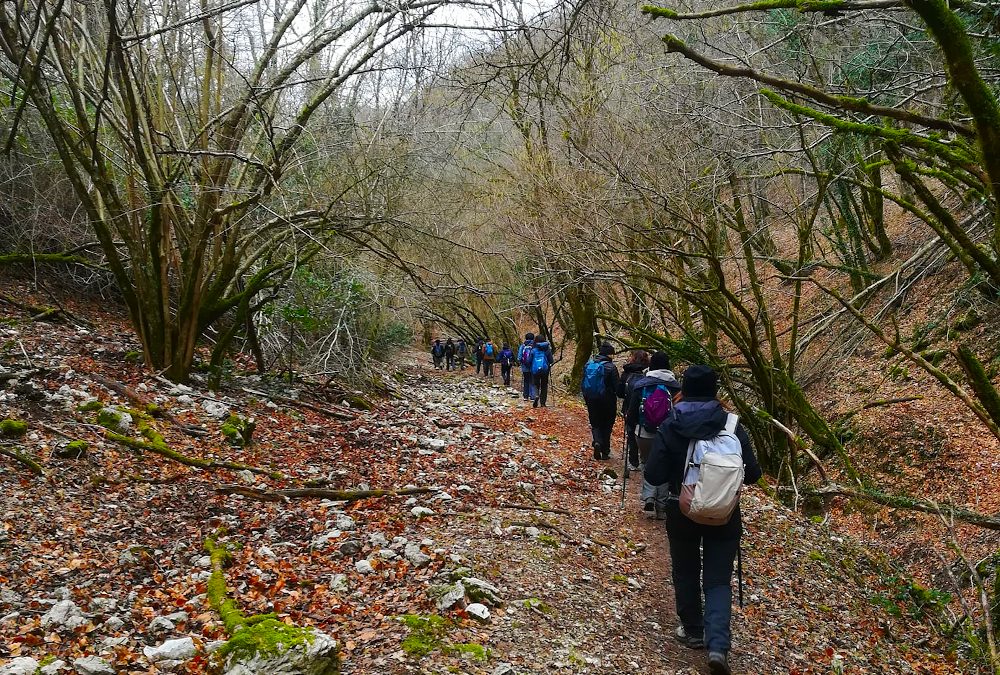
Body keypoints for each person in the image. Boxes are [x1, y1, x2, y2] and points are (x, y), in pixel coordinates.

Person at [643, 365, 762, 675]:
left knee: (685, 570)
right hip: (724, 514)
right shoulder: (732, 425)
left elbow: (653, 474)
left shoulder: (672, 422)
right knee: (718, 580)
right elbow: (753, 474)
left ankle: (694, 630)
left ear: (685, 389)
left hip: (680, 509)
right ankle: (718, 646)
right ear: (715, 391)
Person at [627, 351, 680, 518]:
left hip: (644, 433)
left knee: (647, 462)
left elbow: (632, 413)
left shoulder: (642, 385)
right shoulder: (676, 386)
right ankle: (662, 504)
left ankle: (649, 495)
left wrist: (631, 425)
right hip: (669, 435)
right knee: (665, 465)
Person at [581, 343, 619, 459]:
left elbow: (583, 384)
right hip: (608, 400)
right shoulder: (611, 367)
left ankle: (597, 441)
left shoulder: (588, 365)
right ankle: (605, 451)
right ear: (609, 354)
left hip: (592, 399)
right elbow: (617, 387)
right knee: (607, 424)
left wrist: (587, 398)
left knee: (595, 423)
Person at [618, 349, 650, 471]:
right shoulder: (649, 373)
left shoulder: (626, 373)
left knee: (631, 434)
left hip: (629, 408)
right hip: (646, 409)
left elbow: (620, 393)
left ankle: (633, 462)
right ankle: (644, 459)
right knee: (645, 433)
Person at [530, 334, 554, 408]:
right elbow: (551, 360)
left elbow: (529, 360)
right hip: (545, 370)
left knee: (535, 384)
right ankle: (543, 403)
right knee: (544, 385)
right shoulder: (547, 349)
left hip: (535, 370)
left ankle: (536, 395)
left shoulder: (533, 349)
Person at [517, 332, 535, 400]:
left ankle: (525, 396)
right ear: (533, 338)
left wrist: (522, 362)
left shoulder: (523, 346)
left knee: (526, 380)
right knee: (532, 381)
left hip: (525, 367)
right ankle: (532, 396)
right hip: (533, 366)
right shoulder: (535, 345)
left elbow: (519, 357)